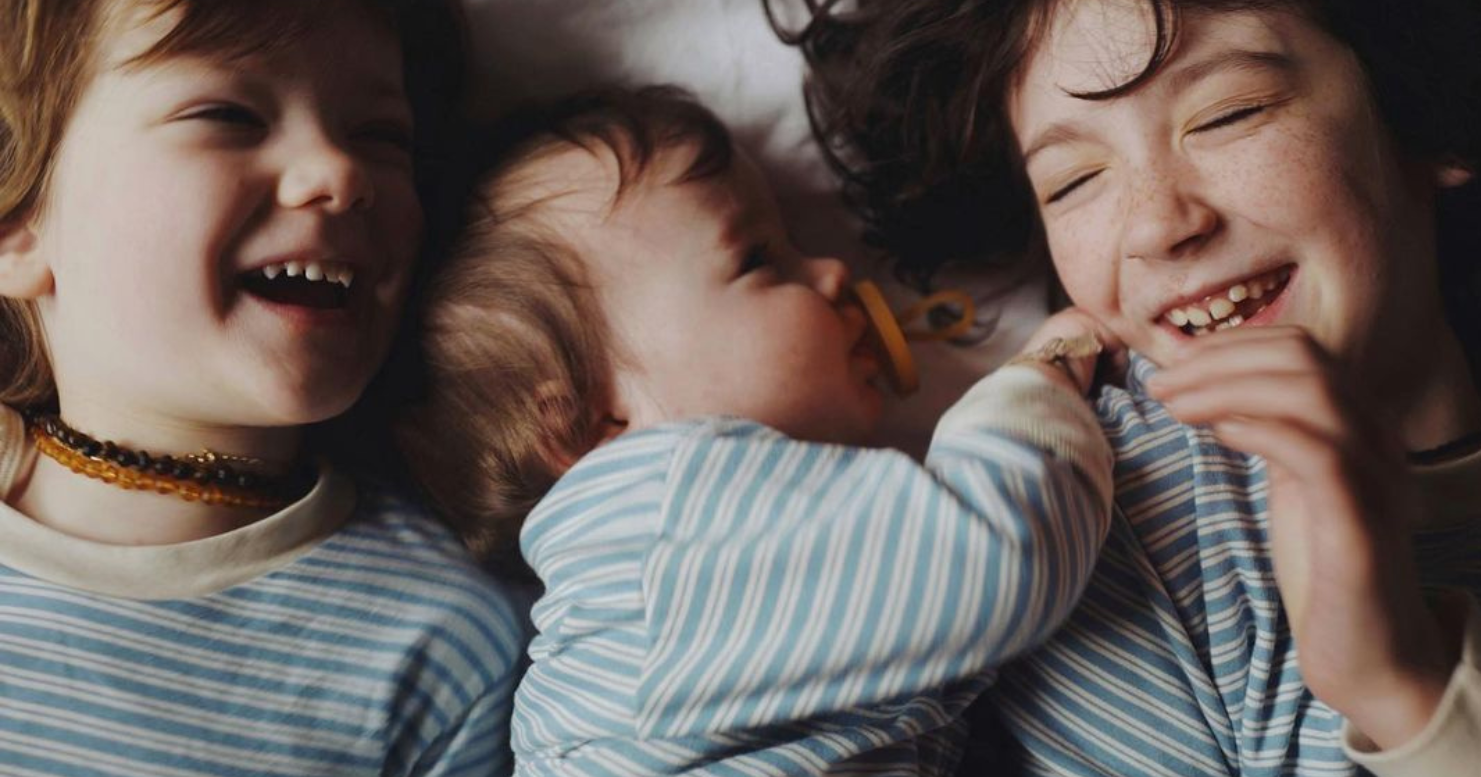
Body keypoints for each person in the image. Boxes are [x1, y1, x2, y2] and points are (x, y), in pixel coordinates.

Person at [778, 0, 1481, 774]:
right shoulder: (1092, 519)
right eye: (1075, 180)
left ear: (1424, 105)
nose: (1162, 222)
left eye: (1228, 113)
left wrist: (1403, 686)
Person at [0, 0, 530, 774]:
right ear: (19, 225)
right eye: (229, 116)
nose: (340, 173)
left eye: (382, 135)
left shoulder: (448, 641)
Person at [396, 84, 1119, 775]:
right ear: (593, 423)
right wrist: (1040, 378)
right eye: (759, 259)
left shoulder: (641, 573)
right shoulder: (668, 518)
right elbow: (1004, 550)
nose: (833, 270)